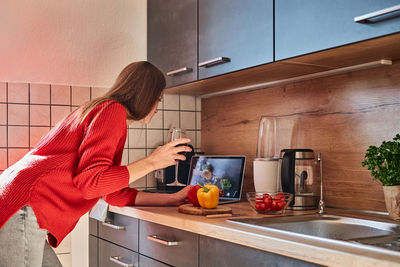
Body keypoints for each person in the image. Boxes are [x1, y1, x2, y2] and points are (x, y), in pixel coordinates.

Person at [0, 61, 193, 266]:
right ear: (146, 96)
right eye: (158, 100)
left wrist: (171, 200)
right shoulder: (112, 111)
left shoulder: (103, 110)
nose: (156, 110)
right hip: (23, 204)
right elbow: (90, 182)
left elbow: (113, 194)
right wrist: (152, 162)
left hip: (19, 200)